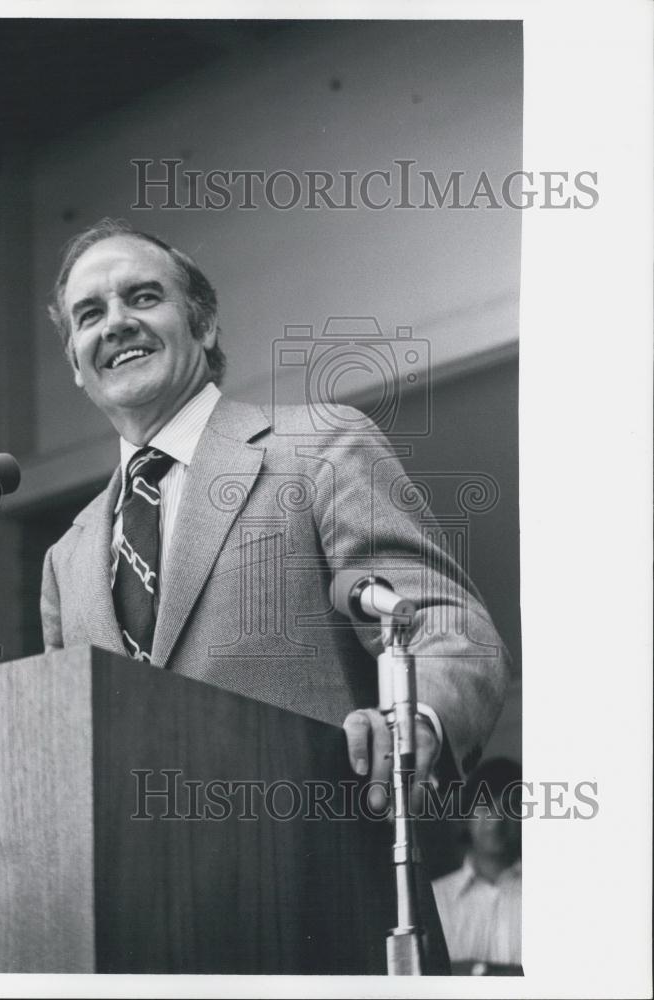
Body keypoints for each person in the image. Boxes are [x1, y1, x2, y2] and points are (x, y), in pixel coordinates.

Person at [41, 217, 511, 800]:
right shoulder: (68, 557)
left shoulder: (320, 446)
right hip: (135, 883)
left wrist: (415, 720)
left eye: (143, 297)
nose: (116, 323)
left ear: (204, 324)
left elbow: (447, 629)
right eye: (90, 314)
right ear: (75, 365)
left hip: (316, 864)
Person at [432, 757, 523, 972]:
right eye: (485, 806)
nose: (496, 819)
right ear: (466, 815)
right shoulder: (435, 899)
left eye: (510, 806)